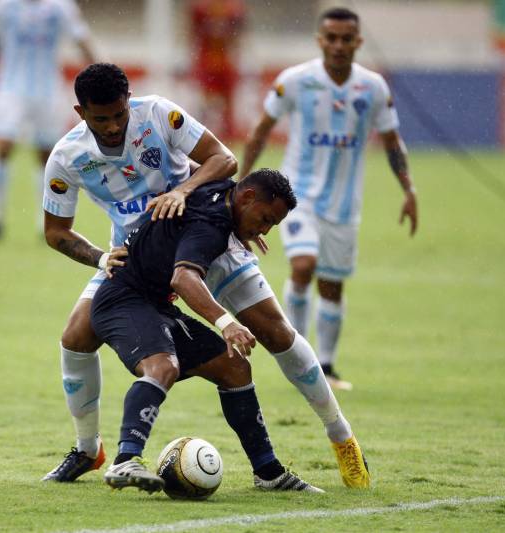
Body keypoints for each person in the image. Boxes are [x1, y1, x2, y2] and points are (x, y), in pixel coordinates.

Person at [41, 63, 369, 489]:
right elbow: (56, 233)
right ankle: (88, 449)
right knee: (75, 337)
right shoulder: (68, 157)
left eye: (119, 114)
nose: (113, 125)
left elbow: (224, 158)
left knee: (276, 333)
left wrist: (184, 192)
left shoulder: (158, 114)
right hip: (140, 257)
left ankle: (340, 435)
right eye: (101, 118)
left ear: (128, 102)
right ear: (80, 112)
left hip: (206, 233)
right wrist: (101, 257)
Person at [93, 170, 326, 493]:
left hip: (155, 304)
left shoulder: (218, 186)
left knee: (235, 367)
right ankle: (125, 460)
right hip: (123, 300)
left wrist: (246, 227)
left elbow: (212, 161)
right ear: (246, 198)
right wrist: (227, 323)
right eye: (265, 218)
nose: (265, 230)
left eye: (272, 224)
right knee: (164, 366)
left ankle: (268, 473)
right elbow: (183, 279)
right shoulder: (212, 226)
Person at [240, 7, 419, 391]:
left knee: (332, 288)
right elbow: (259, 131)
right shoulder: (296, 81)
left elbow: (392, 142)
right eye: (331, 38)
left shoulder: (373, 88)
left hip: (344, 205)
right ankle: (296, 355)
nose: (338, 45)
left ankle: (326, 365)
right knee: (303, 266)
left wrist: (409, 189)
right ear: (320, 40)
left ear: (358, 42)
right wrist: (239, 185)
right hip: (297, 197)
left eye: (346, 39)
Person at [0, 0, 97, 243]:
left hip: (47, 90)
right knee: (3, 147)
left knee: (47, 156)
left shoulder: (60, 7)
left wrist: (105, 71)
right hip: (10, 88)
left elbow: (82, 39)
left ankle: (45, 222)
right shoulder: (5, 6)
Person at [188, 0, 246, 140]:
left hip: (226, 62)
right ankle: (199, 136)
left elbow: (239, 35)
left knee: (228, 105)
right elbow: (192, 33)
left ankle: (228, 138)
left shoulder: (234, 8)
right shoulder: (200, 8)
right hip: (206, 62)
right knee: (205, 102)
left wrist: (239, 54)